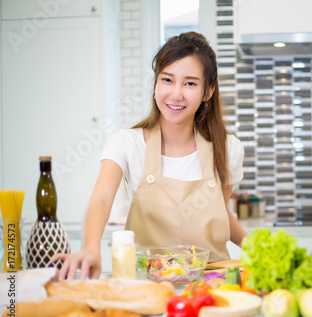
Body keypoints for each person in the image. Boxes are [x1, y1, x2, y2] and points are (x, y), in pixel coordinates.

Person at [52, 32, 247, 280]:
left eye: (190, 83)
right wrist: (91, 249)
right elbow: (100, 201)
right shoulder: (127, 143)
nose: (176, 94)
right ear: (156, 84)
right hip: (146, 284)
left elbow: (220, 212)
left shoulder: (228, 148)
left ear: (208, 92)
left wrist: (258, 250)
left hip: (212, 286)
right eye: (167, 80)